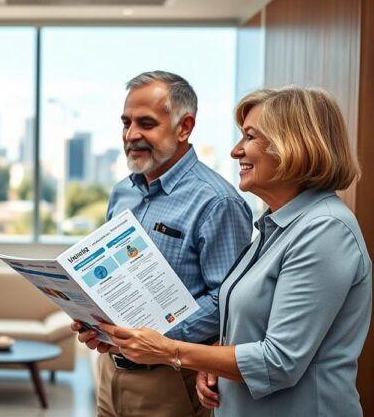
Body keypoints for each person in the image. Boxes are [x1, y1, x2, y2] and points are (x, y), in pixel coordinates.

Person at [92, 87, 371, 416]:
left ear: (294, 144)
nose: (236, 151)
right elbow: (250, 326)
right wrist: (213, 358)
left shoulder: (326, 230)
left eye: (249, 137)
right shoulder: (276, 227)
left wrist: (172, 350)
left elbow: (279, 361)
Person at [72, 71, 253, 417]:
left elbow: (228, 300)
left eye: (146, 123)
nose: (131, 135)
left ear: (184, 127)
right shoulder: (122, 192)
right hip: (110, 372)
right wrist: (95, 322)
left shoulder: (217, 202)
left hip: (172, 380)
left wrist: (155, 337)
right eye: (126, 123)